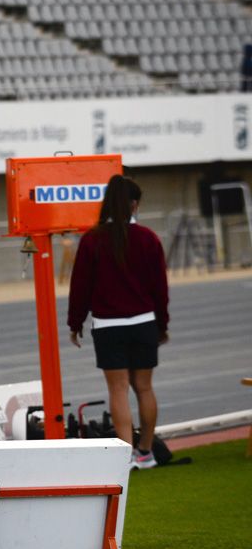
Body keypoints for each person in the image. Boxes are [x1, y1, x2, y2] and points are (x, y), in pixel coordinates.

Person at [68, 174, 169, 470]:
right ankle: (146, 453)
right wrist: (161, 325)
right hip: (144, 323)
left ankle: (124, 460)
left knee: (118, 390)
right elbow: (160, 289)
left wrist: (76, 323)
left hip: (108, 325)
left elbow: (81, 287)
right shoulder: (149, 238)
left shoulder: (92, 239)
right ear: (135, 204)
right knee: (145, 388)